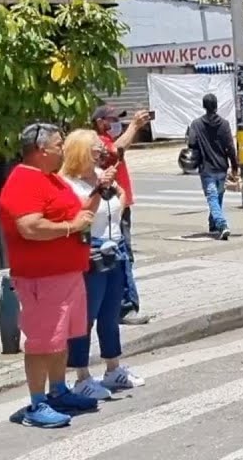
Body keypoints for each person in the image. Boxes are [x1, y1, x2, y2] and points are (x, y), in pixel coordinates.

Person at [0, 123, 101, 428]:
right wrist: (70, 228)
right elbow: (30, 227)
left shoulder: (49, 179)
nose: (63, 150)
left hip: (66, 274)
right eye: (58, 145)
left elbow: (77, 214)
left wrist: (96, 193)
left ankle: (58, 391)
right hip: (42, 278)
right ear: (41, 150)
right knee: (43, 342)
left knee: (59, 340)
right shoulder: (24, 181)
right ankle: (36, 403)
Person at [59, 129, 144, 400]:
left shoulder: (100, 175)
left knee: (110, 314)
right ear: (81, 151)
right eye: (96, 148)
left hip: (114, 248)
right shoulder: (67, 183)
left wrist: (114, 188)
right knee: (85, 317)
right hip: (90, 252)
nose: (101, 151)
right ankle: (82, 375)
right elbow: (82, 214)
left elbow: (121, 204)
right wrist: (100, 188)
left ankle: (113, 367)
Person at [90, 105, 151, 326]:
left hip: (119, 205)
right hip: (112, 207)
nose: (117, 122)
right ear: (100, 122)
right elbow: (116, 150)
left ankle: (117, 304)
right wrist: (135, 125)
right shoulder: (99, 143)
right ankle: (125, 306)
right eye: (112, 119)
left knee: (121, 253)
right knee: (121, 254)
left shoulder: (105, 140)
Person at [186, 93, 241, 240]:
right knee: (218, 196)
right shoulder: (224, 124)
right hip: (222, 166)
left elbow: (191, 143)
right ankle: (213, 223)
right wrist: (235, 165)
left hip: (206, 166)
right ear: (216, 105)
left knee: (212, 197)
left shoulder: (196, 124)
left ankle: (222, 224)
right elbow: (230, 146)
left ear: (204, 106)